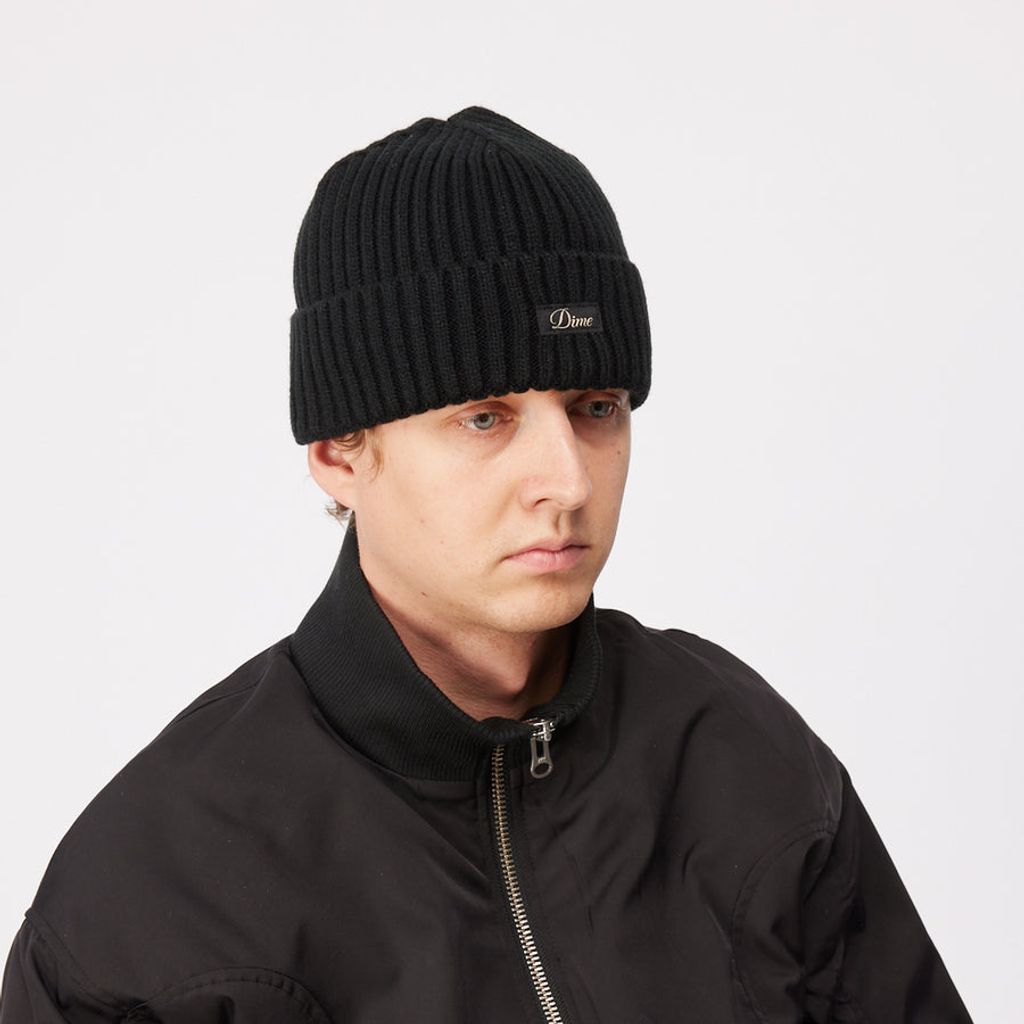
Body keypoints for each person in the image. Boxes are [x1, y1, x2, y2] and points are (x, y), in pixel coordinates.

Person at [0, 105, 973, 1023]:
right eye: (483, 417)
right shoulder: (152, 889)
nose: (567, 479)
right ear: (340, 453)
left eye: (595, 407)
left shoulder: (740, 753)